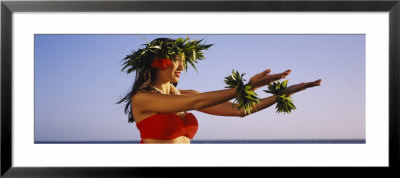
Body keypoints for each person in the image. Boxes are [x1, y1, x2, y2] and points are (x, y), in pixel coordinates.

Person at [117, 37, 322, 144]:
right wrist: (247, 86)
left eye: (184, 62)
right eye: (177, 60)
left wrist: (283, 94)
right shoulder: (143, 98)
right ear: (157, 62)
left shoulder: (185, 94)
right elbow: (198, 103)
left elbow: (240, 110)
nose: (182, 67)